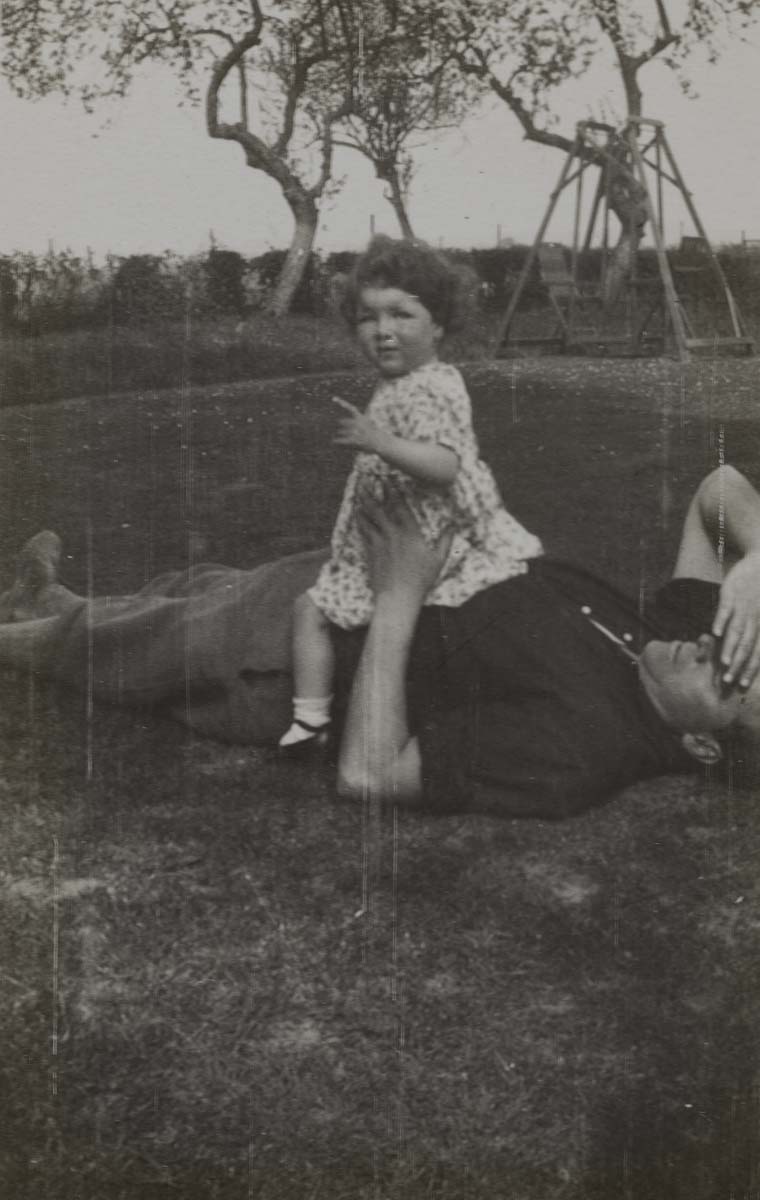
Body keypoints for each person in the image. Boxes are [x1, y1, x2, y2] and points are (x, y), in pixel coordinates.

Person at [0, 465, 759, 818]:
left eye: (736, 680)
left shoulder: (585, 745)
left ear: (703, 749)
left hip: (283, 655)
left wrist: (400, 591)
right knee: (190, 585)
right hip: (333, 583)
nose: (717, 646)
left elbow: (368, 775)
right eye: (744, 644)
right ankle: (50, 594)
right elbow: (718, 490)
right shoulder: (671, 636)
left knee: (90, 646)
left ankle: (42, 617)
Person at [277, 236, 542, 756]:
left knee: (311, 608)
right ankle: (310, 721)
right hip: (397, 531)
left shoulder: (436, 385)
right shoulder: (397, 384)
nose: (383, 332)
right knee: (308, 607)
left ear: (439, 324)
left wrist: (380, 442)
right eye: (368, 318)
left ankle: (315, 717)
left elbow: (445, 465)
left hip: (430, 536)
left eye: (402, 315)